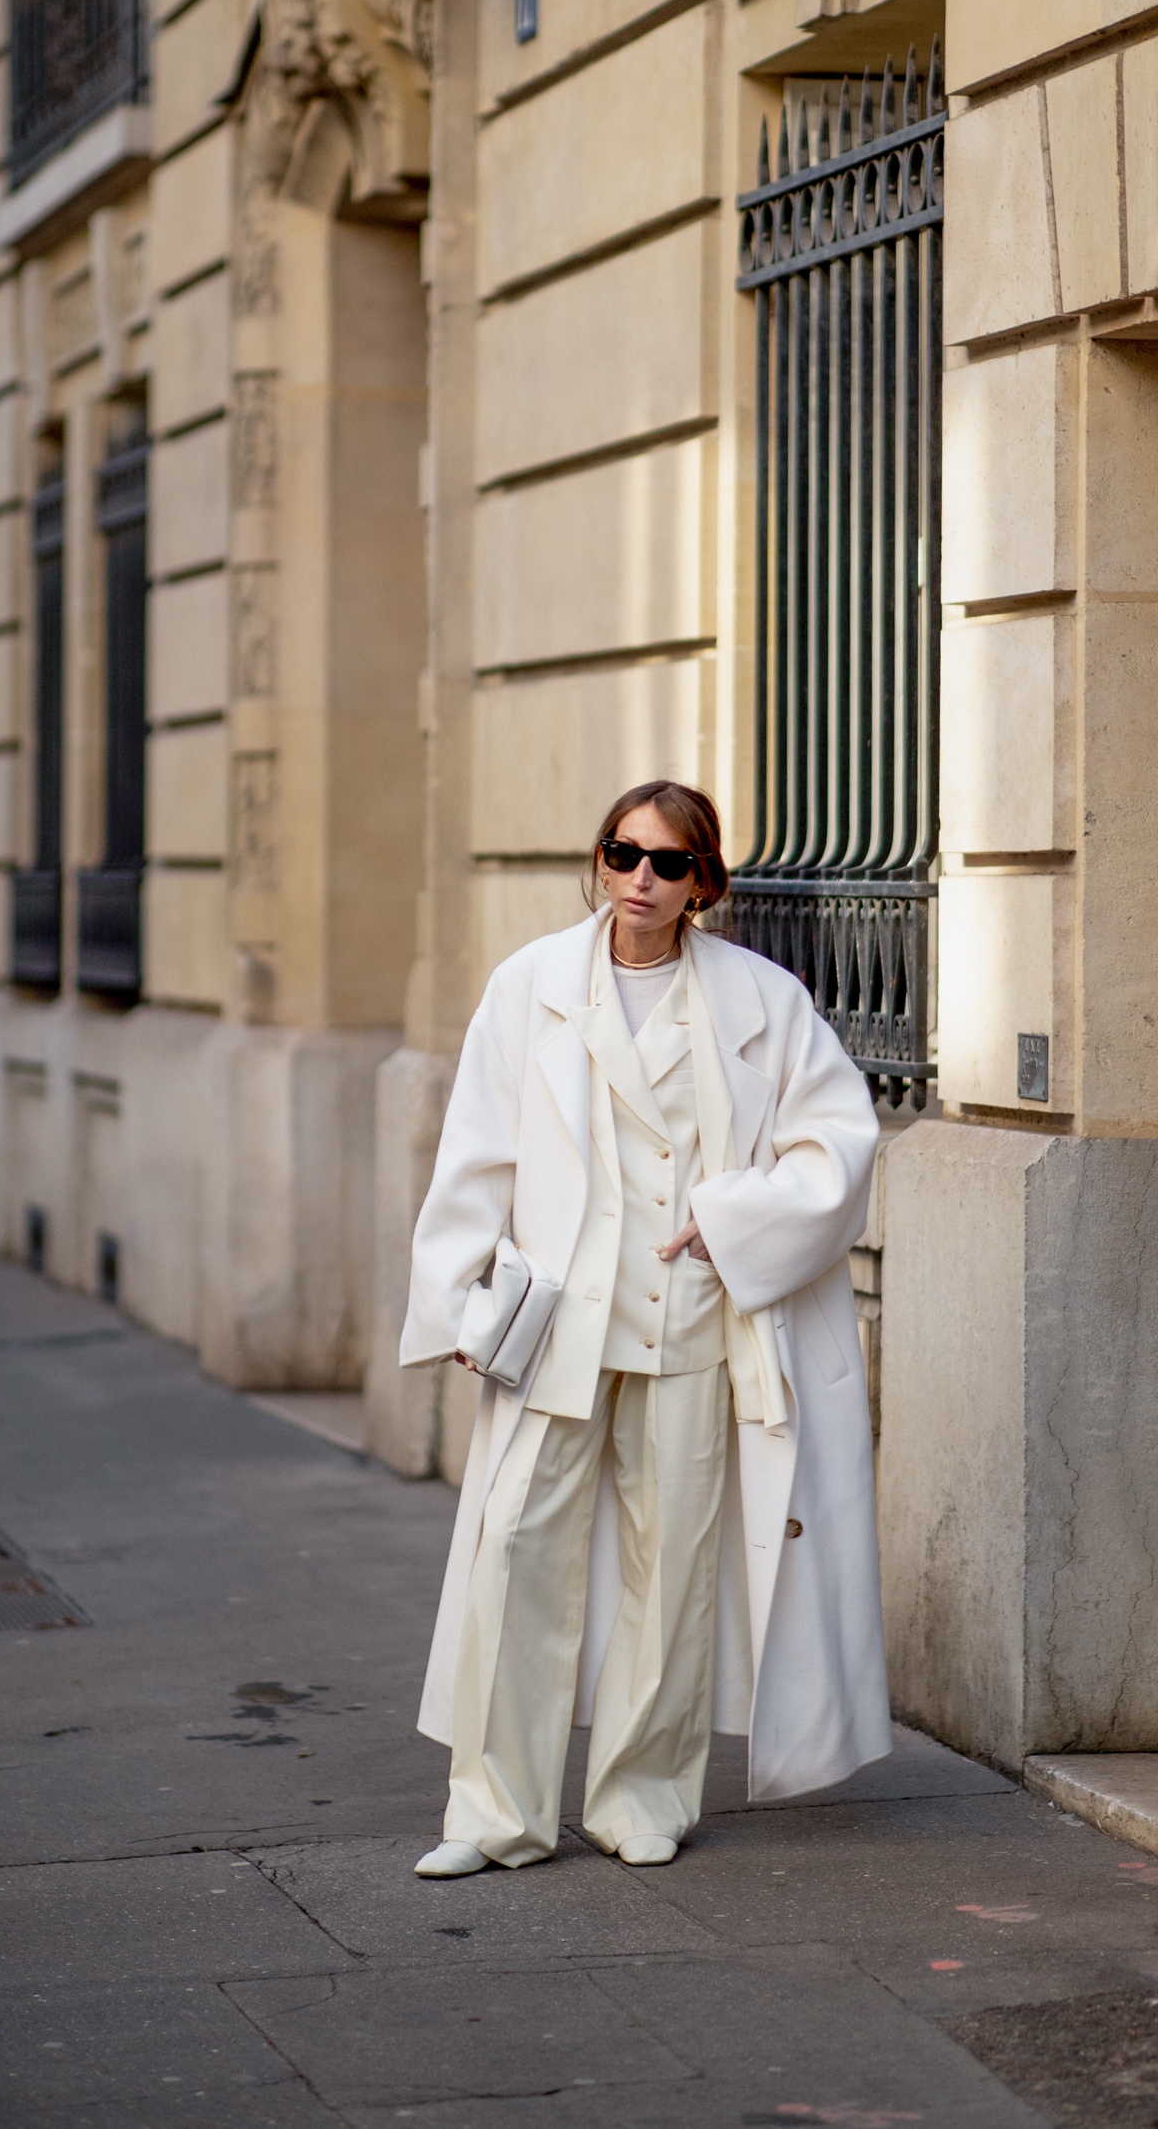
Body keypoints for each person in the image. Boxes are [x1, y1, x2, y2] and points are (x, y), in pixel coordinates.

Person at [399, 778, 890, 1876]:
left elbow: (839, 1145)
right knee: (515, 1557)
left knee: (671, 1572)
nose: (641, 881)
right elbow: (476, 1152)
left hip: (690, 1329)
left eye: (669, 864)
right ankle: (494, 1813)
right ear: (600, 858)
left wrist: (730, 1224)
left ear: (703, 881)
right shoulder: (528, 987)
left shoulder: (762, 1002)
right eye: (624, 855)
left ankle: (643, 1799)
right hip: (557, 1327)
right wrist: (461, 1301)